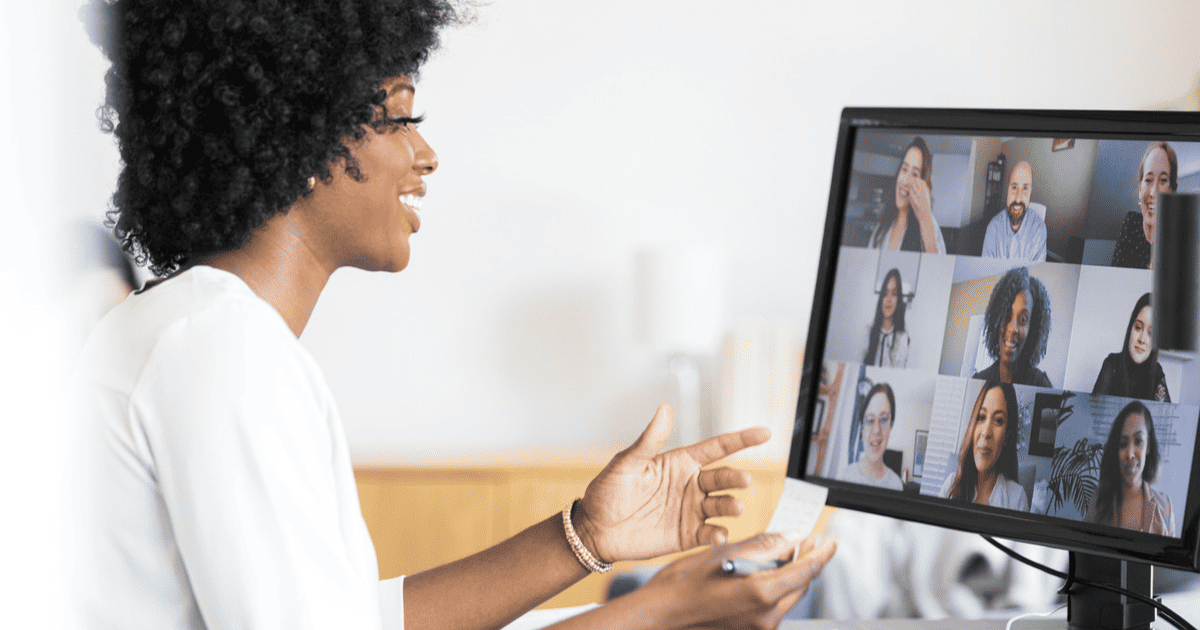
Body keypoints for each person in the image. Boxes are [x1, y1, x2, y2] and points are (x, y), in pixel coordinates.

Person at [72, 2, 836, 629]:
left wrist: (586, 537)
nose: (427, 154)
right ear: (306, 137)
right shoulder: (224, 353)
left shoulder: (195, 331)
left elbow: (343, 620)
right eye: (402, 118)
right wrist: (657, 616)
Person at [1085, 401, 1174, 536]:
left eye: (1138, 441)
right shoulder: (1098, 500)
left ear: (1148, 446)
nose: (1130, 454)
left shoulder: (1165, 506)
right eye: (1123, 443)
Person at [941, 381, 1029, 511]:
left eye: (999, 420)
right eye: (981, 417)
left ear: (1007, 435)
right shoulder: (951, 484)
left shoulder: (1017, 498)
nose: (986, 432)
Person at [972, 266, 1052, 387]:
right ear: (996, 320)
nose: (1012, 329)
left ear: (1033, 329)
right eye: (1007, 315)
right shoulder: (978, 381)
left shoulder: (1041, 386)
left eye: (1023, 319)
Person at [869, 137, 948, 254]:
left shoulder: (929, 225)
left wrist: (925, 219)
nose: (905, 181)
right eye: (904, 169)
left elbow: (937, 269)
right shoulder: (882, 226)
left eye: (915, 174)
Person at [1092, 293, 1171, 402]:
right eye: (1138, 327)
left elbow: (1166, 416)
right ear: (1130, 329)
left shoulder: (1157, 372)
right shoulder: (1112, 364)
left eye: (1151, 333)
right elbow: (1093, 413)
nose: (1142, 339)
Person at [1111, 141, 1178, 269]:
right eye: (1148, 180)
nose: (1154, 193)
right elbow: (1115, 273)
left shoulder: (1178, 233)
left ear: (1171, 189)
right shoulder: (1131, 222)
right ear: (1140, 188)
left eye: (1163, 180)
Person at [837, 382, 904, 490]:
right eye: (870, 420)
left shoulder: (896, 485)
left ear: (891, 425)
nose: (876, 430)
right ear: (862, 427)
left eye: (883, 419)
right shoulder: (845, 477)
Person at [981, 161, 1047, 262]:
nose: (1017, 198)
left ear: (1030, 193)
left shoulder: (1039, 229)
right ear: (1008, 190)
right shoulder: (993, 228)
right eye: (1014, 187)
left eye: (1025, 188)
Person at [863, 268, 910, 368]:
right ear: (881, 298)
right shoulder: (867, 332)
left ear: (899, 300)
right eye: (885, 293)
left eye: (894, 293)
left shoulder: (903, 338)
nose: (888, 299)